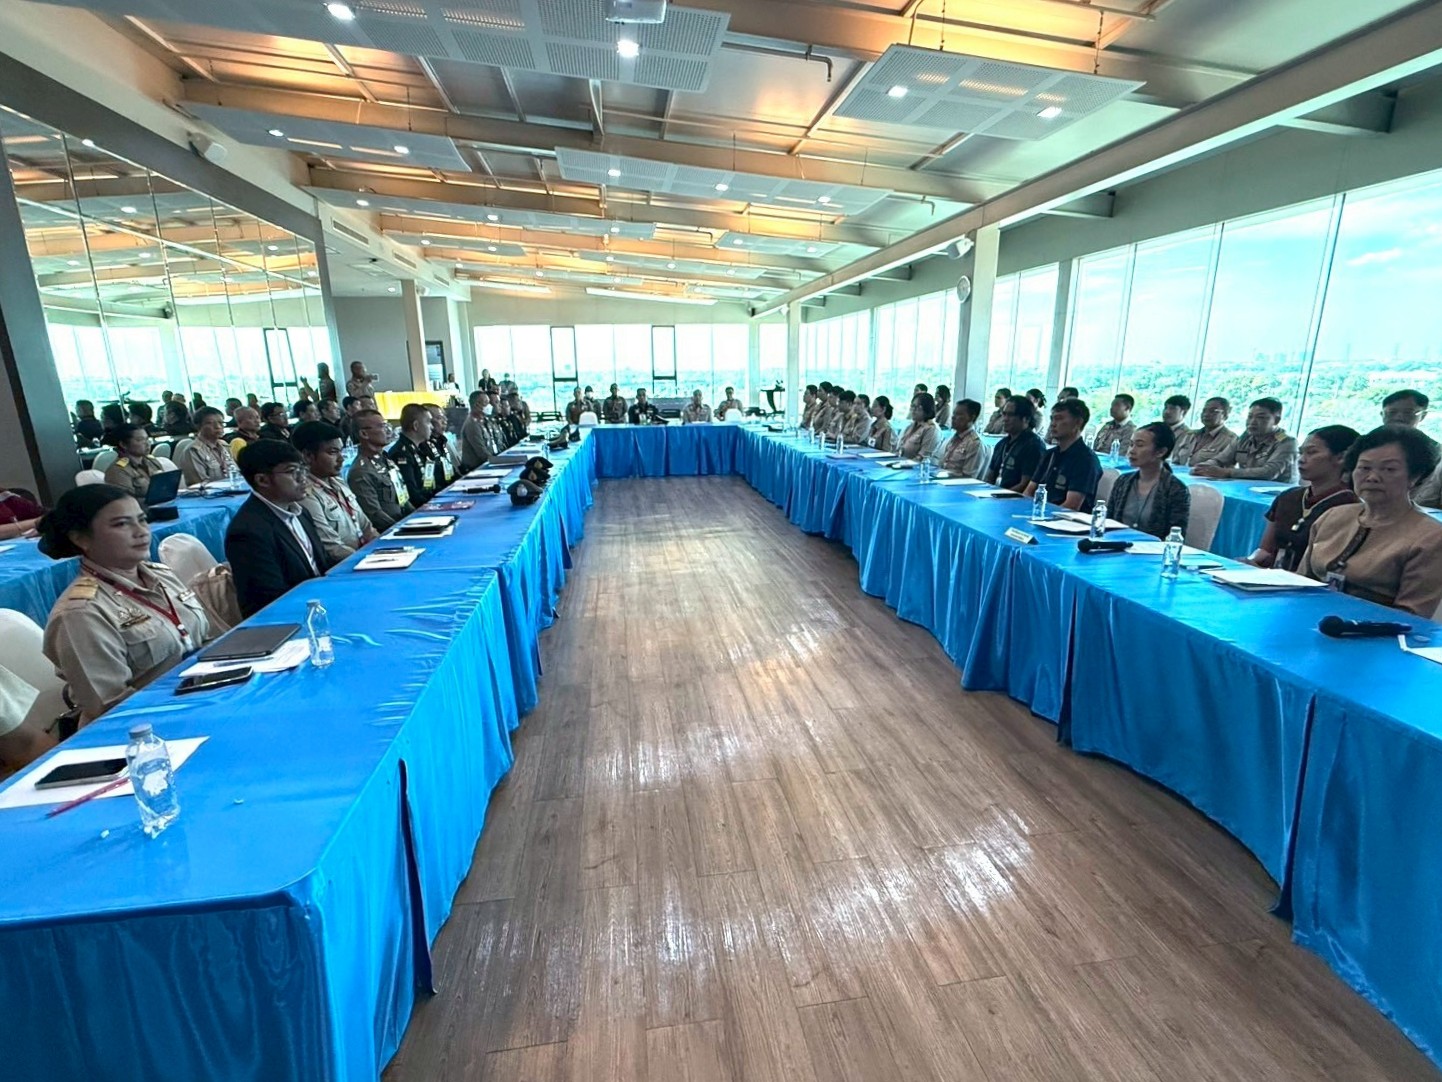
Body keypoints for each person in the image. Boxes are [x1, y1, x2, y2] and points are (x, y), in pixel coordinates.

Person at [38, 484, 210, 725]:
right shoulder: (80, 613)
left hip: (202, 698)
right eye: (121, 524)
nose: (141, 532)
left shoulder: (161, 575)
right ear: (81, 538)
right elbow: (111, 708)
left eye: (142, 520)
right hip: (150, 725)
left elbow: (206, 641)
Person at [1300, 425, 1442, 617]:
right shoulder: (1332, 516)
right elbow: (1299, 582)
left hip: (1372, 630)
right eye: (1364, 468)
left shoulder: (1430, 537)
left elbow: (1411, 616)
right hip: (1306, 618)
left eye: (1389, 469)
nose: (1372, 477)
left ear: (1415, 477)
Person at [226, 441, 335, 618]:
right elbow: (269, 600)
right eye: (292, 471)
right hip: (290, 619)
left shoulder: (301, 512)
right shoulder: (247, 532)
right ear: (262, 480)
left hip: (319, 603)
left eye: (302, 469)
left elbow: (322, 565)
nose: (303, 478)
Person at [1248, 425, 1360, 571]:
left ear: (1341, 458)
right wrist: (1249, 562)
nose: (1301, 460)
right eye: (1301, 453)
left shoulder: (1350, 506)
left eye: (1312, 452)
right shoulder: (1288, 497)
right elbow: (1265, 551)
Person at [294, 421, 376, 563]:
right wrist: (369, 559)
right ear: (308, 456)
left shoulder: (338, 482)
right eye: (332, 452)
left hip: (363, 556)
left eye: (341, 451)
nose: (341, 458)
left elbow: (366, 527)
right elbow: (332, 548)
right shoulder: (306, 494)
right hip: (345, 564)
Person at [1106, 422, 1191, 540]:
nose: (1131, 451)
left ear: (1161, 452)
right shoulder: (1123, 481)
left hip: (1152, 549)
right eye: (1131, 444)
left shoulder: (1175, 489)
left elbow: (1175, 535)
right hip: (1116, 545)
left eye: (1140, 445)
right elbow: (1108, 522)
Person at [1191, 396, 1298, 482]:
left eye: (1260, 417)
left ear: (1276, 420)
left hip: (1275, 494)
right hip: (1246, 489)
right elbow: (1220, 459)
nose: (1252, 422)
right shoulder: (1245, 438)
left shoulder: (1287, 442)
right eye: (1250, 416)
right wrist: (1203, 467)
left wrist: (1227, 472)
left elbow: (1270, 472)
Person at [1025, 398, 1102, 512]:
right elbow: (1029, 491)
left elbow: (1071, 506)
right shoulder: (1049, 454)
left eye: (1059, 419)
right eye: (1052, 419)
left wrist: (1041, 516)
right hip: (1039, 513)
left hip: (1065, 519)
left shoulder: (1086, 460)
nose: (1053, 424)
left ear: (1078, 423)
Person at [348, 409, 411, 531]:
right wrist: (404, 530)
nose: (388, 430)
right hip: (389, 531)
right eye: (381, 426)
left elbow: (403, 499)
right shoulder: (361, 471)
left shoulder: (385, 459)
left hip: (403, 522)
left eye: (386, 425)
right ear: (364, 434)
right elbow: (375, 515)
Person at [1380, 389, 1441, 507]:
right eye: (1392, 412)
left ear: (1423, 415)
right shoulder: (1366, 445)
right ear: (1382, 414)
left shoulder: (1436, 452)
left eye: (1408, 412)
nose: (1399, 417)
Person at [984, 395, 1046, 493]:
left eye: (1010, 415)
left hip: (1014, 498)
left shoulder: (1034, 446)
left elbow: (1025, 485)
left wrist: (998, 496)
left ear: (1026, 418)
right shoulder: (1001, 444)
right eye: (1004, 414)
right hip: (995, 495)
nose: (1005, 419)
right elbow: (989, 478)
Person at [388, 403, 437, 507]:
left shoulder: (420, 448)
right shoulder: (401, 453)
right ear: (416, 426)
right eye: (428, 422)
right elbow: (412, 493)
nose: (432, 427)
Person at [103, 423, 166, 499]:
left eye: (147, 439)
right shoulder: (118, 471)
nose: (147, 443)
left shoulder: (152, 462)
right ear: (123, 444)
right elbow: (127, 501)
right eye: (140, 440)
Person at [178, 406, 236, 485]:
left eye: (221, 423)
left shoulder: (224, 445)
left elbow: (236, 473)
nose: (218, 427)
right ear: (198, 426)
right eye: (210, 423)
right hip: (211, 492)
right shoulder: (193, 450)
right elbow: (200, 485)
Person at [1173, 396, 1235, 467]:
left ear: (1225, 415)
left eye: (1212, 411)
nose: (1206, 414)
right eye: (1204, 410)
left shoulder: (1230, 440)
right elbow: (1175, 461)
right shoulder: (1189, 435)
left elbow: (1226, 467)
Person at [936, 399, 984, 477]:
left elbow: (968, 477)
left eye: (959, 414)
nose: (953, 417)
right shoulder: (952, 438)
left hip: (956, 482)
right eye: (954, 414)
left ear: (971, 418)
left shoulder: (974, 443)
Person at [426, 404, 461, 489]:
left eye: (444, 417)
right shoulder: (424, 446)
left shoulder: (443, 441)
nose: (445, 421)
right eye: (439, 418)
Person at [898, 393, 941, 461]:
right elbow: (900, 448)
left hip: (914, 466)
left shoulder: (931, 429)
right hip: (901, 462)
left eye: (916, 407)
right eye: (912, 406)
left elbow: (922, 458)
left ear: (926, 408)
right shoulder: (911, 426)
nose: (912, 410)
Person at [460, 390, 496, 471]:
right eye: (486, 403)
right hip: (476, 468)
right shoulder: (472, 424)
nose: (490, 406)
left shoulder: (483, 421)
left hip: (486, 464)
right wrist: (498, 461)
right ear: (477, 405)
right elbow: (482, 453)